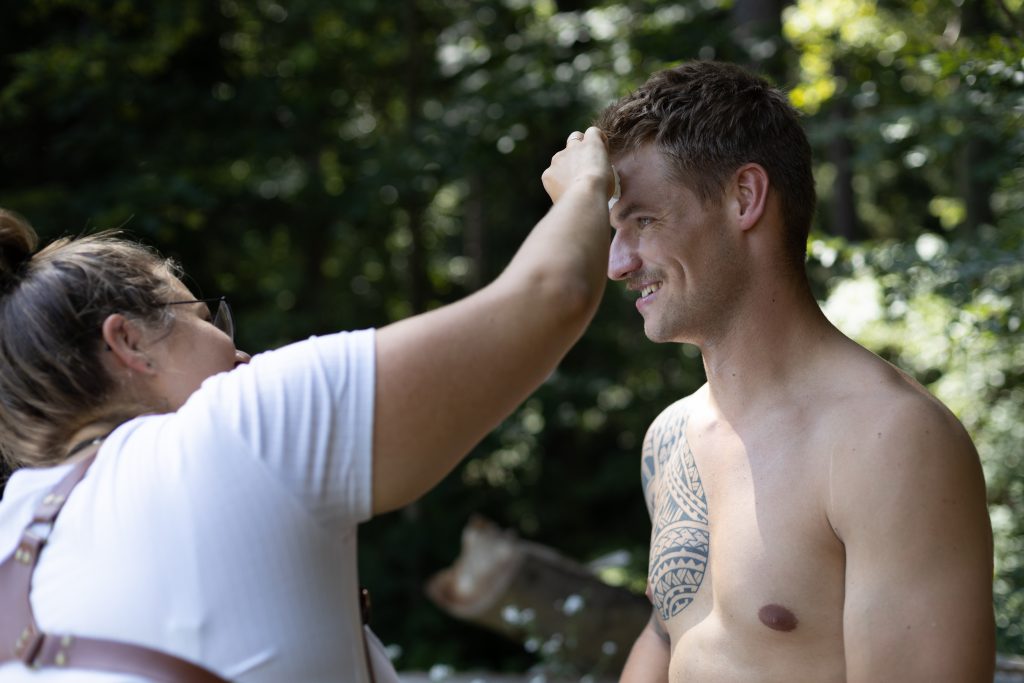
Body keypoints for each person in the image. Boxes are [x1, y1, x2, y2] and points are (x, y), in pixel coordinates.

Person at [0, 127, 614, 682]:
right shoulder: (231, 426)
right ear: (130, 342)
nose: (240, 352)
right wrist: (586, 184)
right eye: (207, 318)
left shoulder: (14, 528)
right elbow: (550, 294)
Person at [598, 61, 995, 682]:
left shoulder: (888, 440)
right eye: (615, 230)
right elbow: (669, 637)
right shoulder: (669, 437)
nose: (618, 264)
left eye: (644, 221)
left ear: (745, 198)